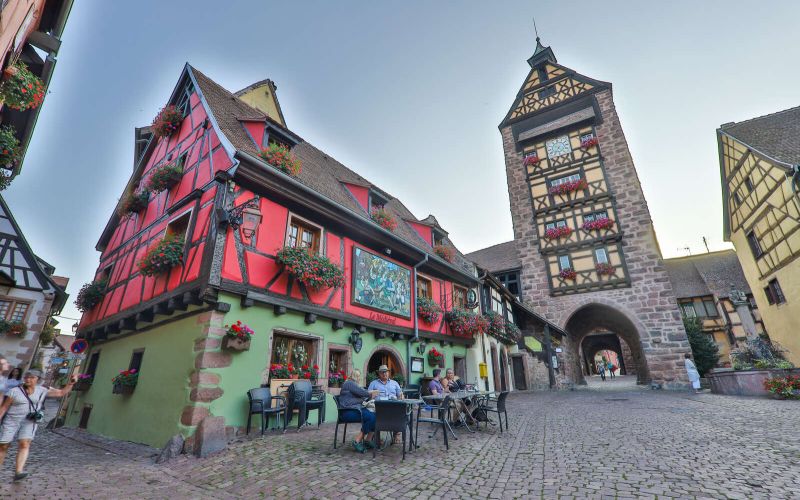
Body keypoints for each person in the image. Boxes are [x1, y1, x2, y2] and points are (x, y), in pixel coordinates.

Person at [0, 370, 77, 480]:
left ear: (38, 379)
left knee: (24, 444)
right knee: (3, 445)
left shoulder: (42, 390)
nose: (28, 379)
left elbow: (61, 393)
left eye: (31, 377)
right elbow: (4, 407)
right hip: (12, 420)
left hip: (29, 421)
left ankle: (18, 471)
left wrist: (71, 383)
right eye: (26, 377)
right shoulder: (15, 391)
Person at [338, 369, 379, 453]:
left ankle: (368, 440)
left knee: (376, 416)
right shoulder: (349, 383)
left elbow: (361, 396)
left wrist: (368, 395)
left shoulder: (351, 384)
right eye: (359, 376)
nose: (359, 378)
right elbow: (363, 393)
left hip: (353, 410)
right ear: (355, 376)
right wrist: (372, 393)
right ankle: (357, 441)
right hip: (347, 412)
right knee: (371, 417)